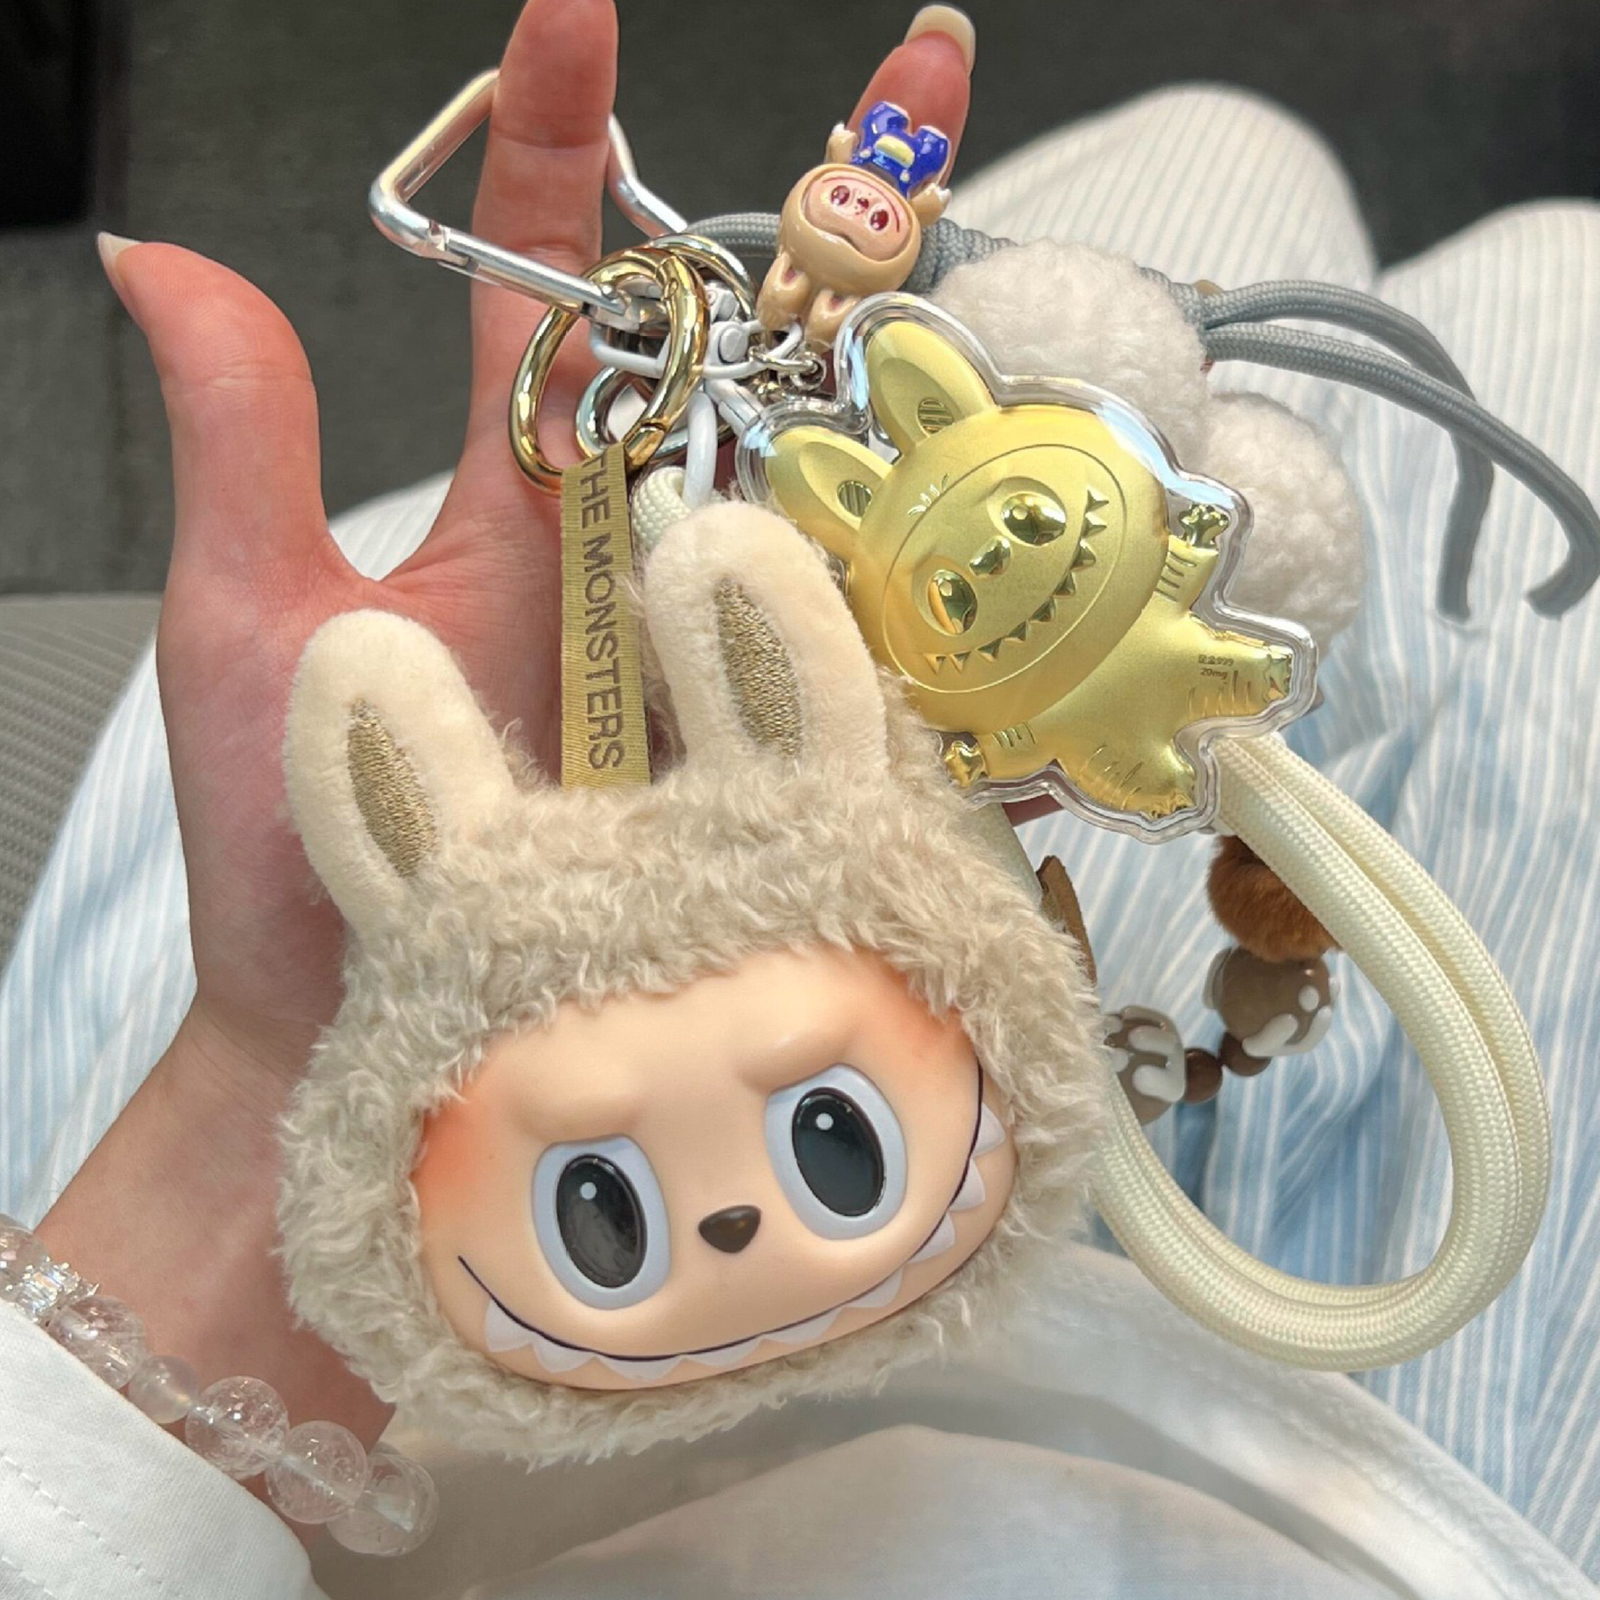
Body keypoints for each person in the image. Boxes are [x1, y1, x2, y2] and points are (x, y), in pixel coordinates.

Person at [4, 2, 1600, 1595]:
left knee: (1226, 156)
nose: (732, 1234)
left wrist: (257, 1099)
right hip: (1421, 1517)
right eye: (603, 1218)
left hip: (273, 1451)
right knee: (1519, 276)